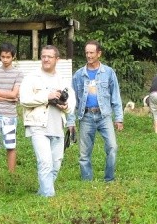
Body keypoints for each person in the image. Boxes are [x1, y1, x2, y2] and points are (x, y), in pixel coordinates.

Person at [19, 45, 75, 197]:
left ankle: (42, 193)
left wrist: (66, 105)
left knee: (55, 165)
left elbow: (72, 102)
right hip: (38, 125)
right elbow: (23, 100)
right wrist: (47, 96)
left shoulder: (62, 79)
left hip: (58, 126)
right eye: (43, 56)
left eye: (49, 56)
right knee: (45, 162)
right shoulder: (31, 77)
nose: (46, 59)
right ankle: (49, 198)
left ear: (57, 59)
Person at [68, 40, 123, 182]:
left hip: (104, 115)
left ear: (99, 53)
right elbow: (72, 100)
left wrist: (118, 118)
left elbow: (115, 96)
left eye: (92, 52)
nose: (89, 55)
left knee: (112, 147)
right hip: (85, 116)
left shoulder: (109, 73)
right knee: (84, 153)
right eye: (87, 52)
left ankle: (109, 179)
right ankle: (87, 182)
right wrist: (70, 120)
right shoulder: (79, 75)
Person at [0, 43, 24, 173]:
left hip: (10, 115)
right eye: (2, 57)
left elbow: (15, 94)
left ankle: (11, 175)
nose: (5, 59)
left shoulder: (18, 74)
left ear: (13, 57)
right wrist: (7, 98)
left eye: (8, 57)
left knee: (10, 145)